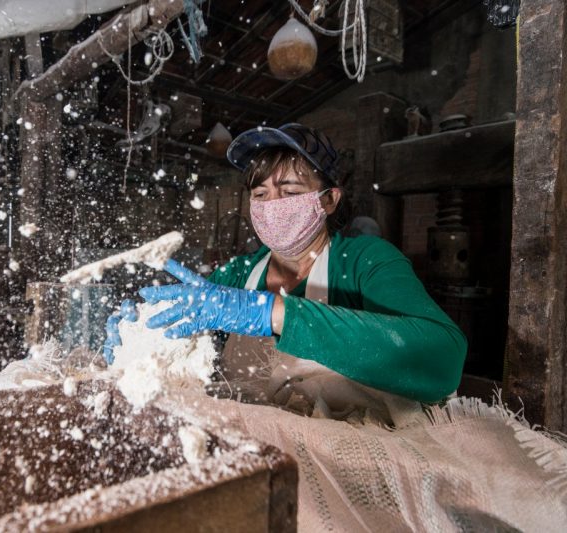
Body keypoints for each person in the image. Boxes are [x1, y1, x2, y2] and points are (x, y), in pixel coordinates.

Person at [105, 123, 466, 408]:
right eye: (260, 194)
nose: (272, 204)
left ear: (328, 200)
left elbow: (443, 361)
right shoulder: (237, 276)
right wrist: (141, 332)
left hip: (342, 456)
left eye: (290, 192)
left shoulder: (365, 263)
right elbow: (186, 330)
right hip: (253, 448)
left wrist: (274, 314)